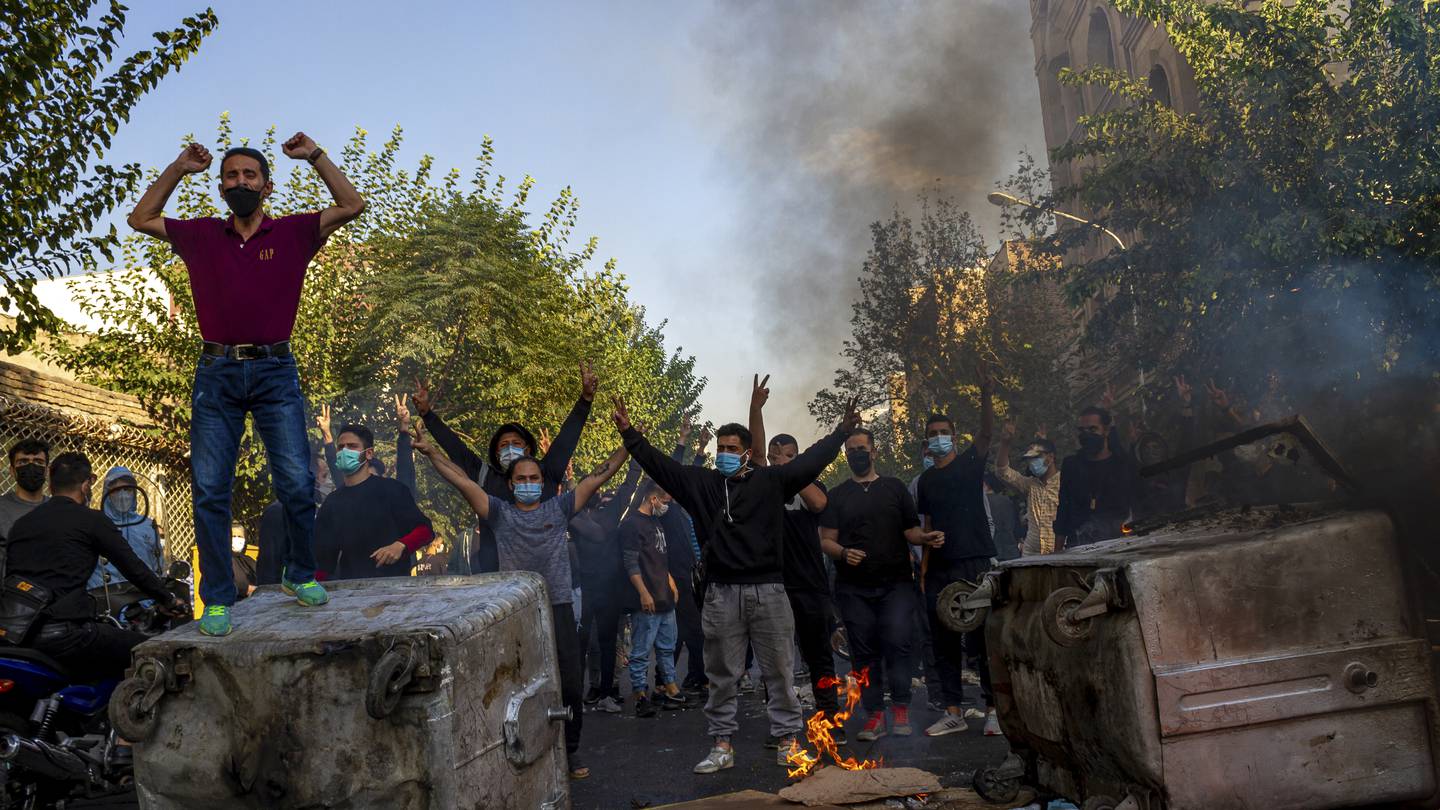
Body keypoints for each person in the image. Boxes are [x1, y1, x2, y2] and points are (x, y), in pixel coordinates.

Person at [127, 134, 365, 635]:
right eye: (231, 176)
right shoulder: (201, 236)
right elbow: (141, 218)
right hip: (217, 373)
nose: (240, 182)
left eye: (249, 176)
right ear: (220, 186)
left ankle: (298, 575)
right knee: (211, 488)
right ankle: (216, 597)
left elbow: (351, 204)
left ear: (267, 186)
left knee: (298, 482)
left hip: (277, 370)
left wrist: (316, 156)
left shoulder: (295, 232)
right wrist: (177, 166)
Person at [612, 392, 859, 775]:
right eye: (720, 448)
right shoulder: (704, 484)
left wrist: (842, 432)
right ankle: (722, 743)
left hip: (770, 591)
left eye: (732, 448)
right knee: (723, 674)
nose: (724, 453)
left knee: (779, 669)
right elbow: (660, 466)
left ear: (747, 452)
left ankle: (788, 740)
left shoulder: (773, 481)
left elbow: (811, 462)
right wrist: (629, 435)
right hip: (721, 593)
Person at [414, 422, 630, 782]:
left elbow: (597, 477)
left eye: (534, 477)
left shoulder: (559, 508)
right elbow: (463, 481)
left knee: (571, 685)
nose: (528, 482)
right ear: (511, 484)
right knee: (516, 684)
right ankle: (517, 751)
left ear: (542, 482)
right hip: (517, 611)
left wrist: (629, 443)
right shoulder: (499, 512)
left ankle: (570, 750)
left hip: (558, 607)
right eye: (521, 478)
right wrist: (432, 452)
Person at [2, 452, 187, 680]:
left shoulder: (21, 525)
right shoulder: (91, 520)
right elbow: (134, 568)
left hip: (19, 634)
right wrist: (168, 599)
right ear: (86, 485)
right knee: (157, 651)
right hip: (69, 633)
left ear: (51, 484)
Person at [414, 365, 598, 575]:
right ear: (496, 452)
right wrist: (428, 415)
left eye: (516, 443)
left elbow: (567, 438)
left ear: (528, 449)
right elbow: (455, 448)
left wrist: (585, 400)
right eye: (503, 445)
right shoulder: (484, 476)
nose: (510, 448)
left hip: (547, 578)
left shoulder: (546, 473)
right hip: (498, 579)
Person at [821, 428, 943, 742]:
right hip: (853, 588)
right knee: (864, 652)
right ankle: (874, 715)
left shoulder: (894, 488)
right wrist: (845, 553)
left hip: (896, 584)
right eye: (851, 450)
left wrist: (925, 538)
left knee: (899, 642)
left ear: (873, 452)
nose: (856, 454)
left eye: (861, 448)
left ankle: (901, 708)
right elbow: (826, 541)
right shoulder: (837, 495)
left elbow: (911, 531)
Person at [749, 374, 842, 738]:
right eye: (775, 458)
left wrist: (795, 471)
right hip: (773, 587)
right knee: (776, 663)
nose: (777, 463)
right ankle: (783, 729)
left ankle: (830, 721)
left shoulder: (809, 487)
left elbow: (820, 503)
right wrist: (756, 409)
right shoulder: (764, 485)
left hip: (809, 588)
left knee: (819, 656)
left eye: (785, 457)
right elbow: (755, 455)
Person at [916, 364, 996, 738]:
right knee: (944, 640)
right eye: (933, 434)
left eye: (944, 433)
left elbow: (986, 433)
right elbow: (928, 524)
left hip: (975, 562)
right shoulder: (926, 480)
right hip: (940, 569)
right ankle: (953, 710)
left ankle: (994, 708)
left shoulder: (969, 463)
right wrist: (923, 570)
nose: (939, 438)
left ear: (953, 436)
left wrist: (984, 396)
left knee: (982, 640)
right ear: (927, 442)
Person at [314, 423, 433, 580]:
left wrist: (400, 545)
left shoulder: (392, 490)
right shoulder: (332, 503)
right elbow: (323, 562)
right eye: (341, 447)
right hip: (351, 591)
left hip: (395, 589)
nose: (344, 452)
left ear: (368, 453)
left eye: (352, 446)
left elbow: (425, 531)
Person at [572, 459, 641, 711]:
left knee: (606, 642)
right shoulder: (575, 516)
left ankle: (605, 696)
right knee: (583, 644)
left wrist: (635, 450)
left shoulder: (605, 515)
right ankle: (579, 696)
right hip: (584, 590)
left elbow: (630, 485)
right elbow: (630, 483)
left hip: (606, 590)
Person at [621, 481, 687, 717]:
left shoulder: (656, 522)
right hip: (647, 599)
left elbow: (660, 557)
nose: (666, 505)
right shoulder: (631, 525)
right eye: (665, 500)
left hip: (664, 597)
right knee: (641, 651)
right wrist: (643, 592)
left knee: (667, 647)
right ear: (652, 499)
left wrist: (670, 582)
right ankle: (640, 694)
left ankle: (669, 686)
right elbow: (630, 563)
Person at [1054, 406, 1138, 548]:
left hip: (1118, 542)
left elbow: (1136, 503)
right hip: (1079, 543)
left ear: (1106, 431)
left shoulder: (1121, 464)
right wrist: (1057, 551)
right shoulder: (1072, 465)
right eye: (1082, 430)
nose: (1086, 435)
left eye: (1093, 429)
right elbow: (1063, 508)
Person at [87, 467, 165, 590]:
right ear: (107, 492)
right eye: (116, 490)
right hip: (107, 600)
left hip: (144, 599)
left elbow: (158, 566)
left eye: (128, 489)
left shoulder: (148, 526)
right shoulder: (96, 524)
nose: (122, 495)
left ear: (135, 493)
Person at [995, 423, 1062, 556]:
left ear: (1051, 457)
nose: (1032, 462)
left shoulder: (1066, 482)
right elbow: (1002, 472)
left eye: (1036, 457)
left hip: (1061, 551)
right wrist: (1005, 444)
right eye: (1029, 459)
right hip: (1031, 554)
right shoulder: (1030, 485)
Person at [1, 439, 49, 540]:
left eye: (38, 462)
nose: (31, 466)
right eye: (23, 462)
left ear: (47, 471)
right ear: (12, 471)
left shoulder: (57, 509)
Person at [984, 474, 1021, 563]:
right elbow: (1016, 525)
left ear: (985, 484)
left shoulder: (982, 502)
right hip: (1011, 550)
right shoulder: (1007, 500)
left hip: (993, 552)